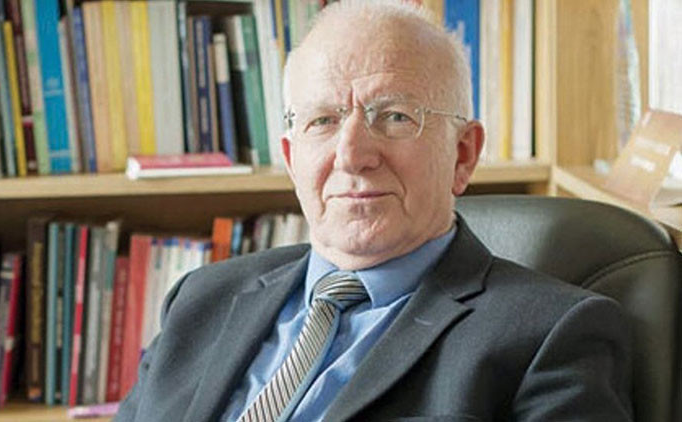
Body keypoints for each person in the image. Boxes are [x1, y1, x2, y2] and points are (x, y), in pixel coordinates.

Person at [115, 1, 633, 421]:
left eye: (395, 116)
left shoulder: (552, 334)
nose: (352, 155)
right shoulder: (202, 298)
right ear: (292, 159)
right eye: (322, 121)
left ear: (462, 154)